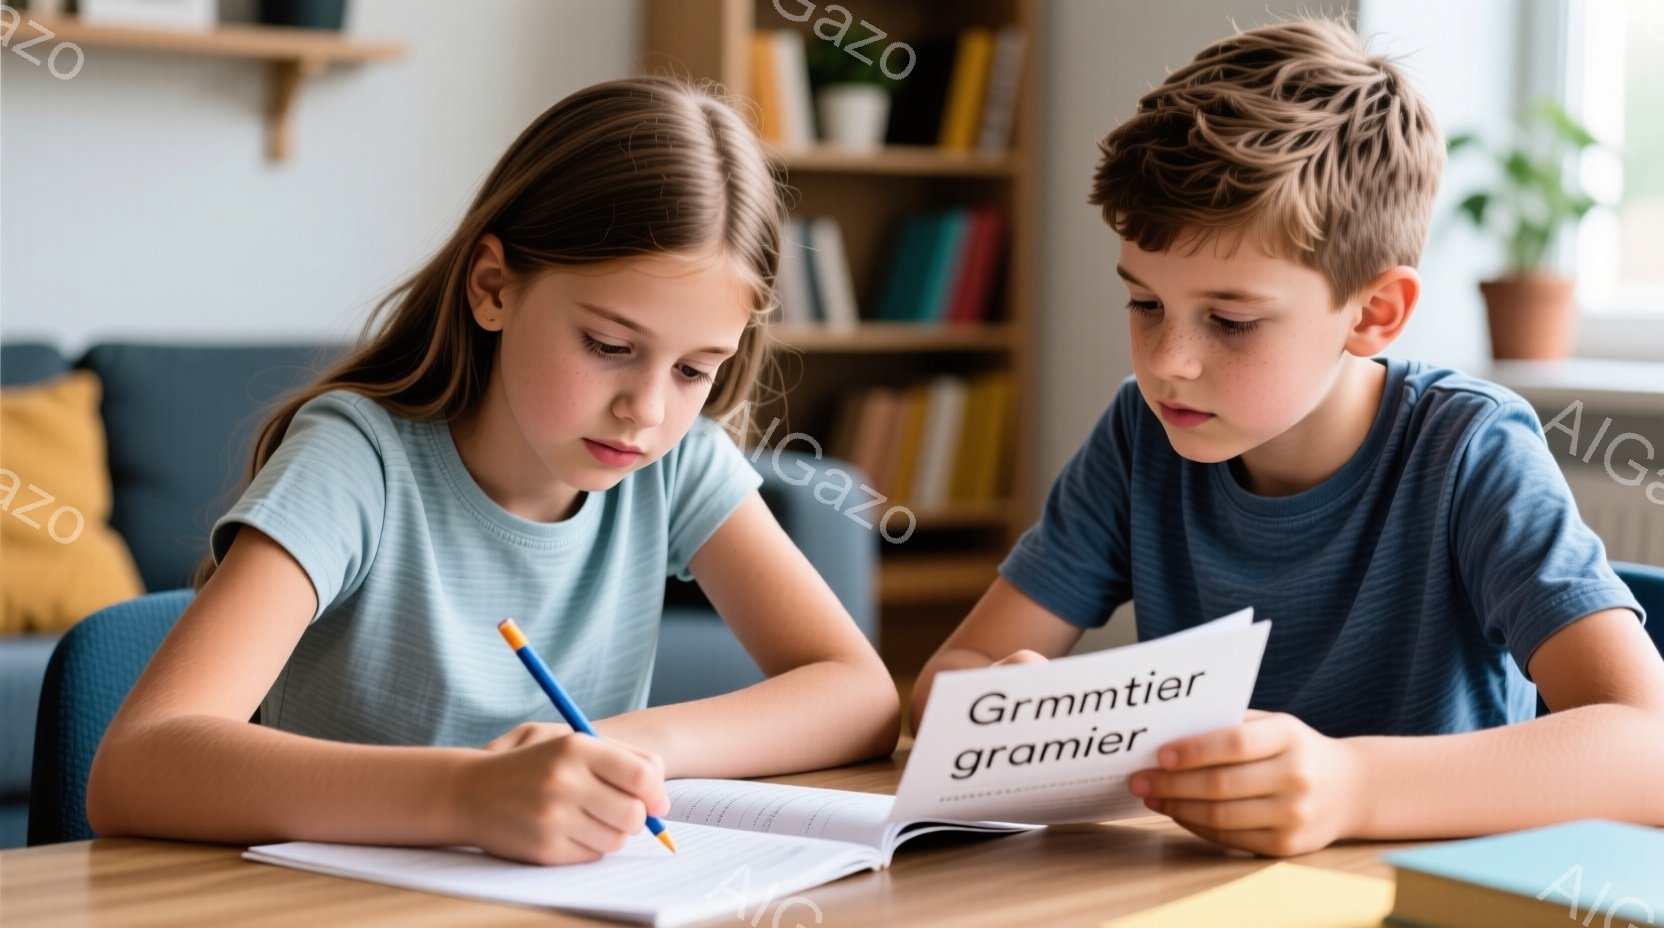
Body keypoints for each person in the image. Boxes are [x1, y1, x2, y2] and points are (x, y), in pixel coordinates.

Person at [88, 76, 899, 866]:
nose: (647, 411)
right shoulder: (356, 459)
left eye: (695, 371)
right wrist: (470, 795)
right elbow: (136, 767)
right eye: (610, 347)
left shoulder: (675, 465)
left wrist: (619, 744)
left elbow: (859, 695)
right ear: (493, 288)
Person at [910, 19, 1664, 856]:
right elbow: (954, 671)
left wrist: (1352, 787)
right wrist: (1005, 710)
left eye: (1230, 321)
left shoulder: (1468, 453)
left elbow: (1649, 748)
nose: (1168, 363)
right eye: (1145, 303)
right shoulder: (1140, 437)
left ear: (1375, 314)